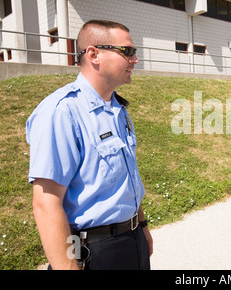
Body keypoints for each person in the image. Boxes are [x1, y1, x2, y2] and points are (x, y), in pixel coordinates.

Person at [26, 20, 153, 270]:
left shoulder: (117, 110)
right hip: (93, 251)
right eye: (127, 51)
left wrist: (142, 227)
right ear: (93, 54)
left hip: (131, 239)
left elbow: (126, 181)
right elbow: (46, 203)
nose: (135, 59)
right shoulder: (61, 112)